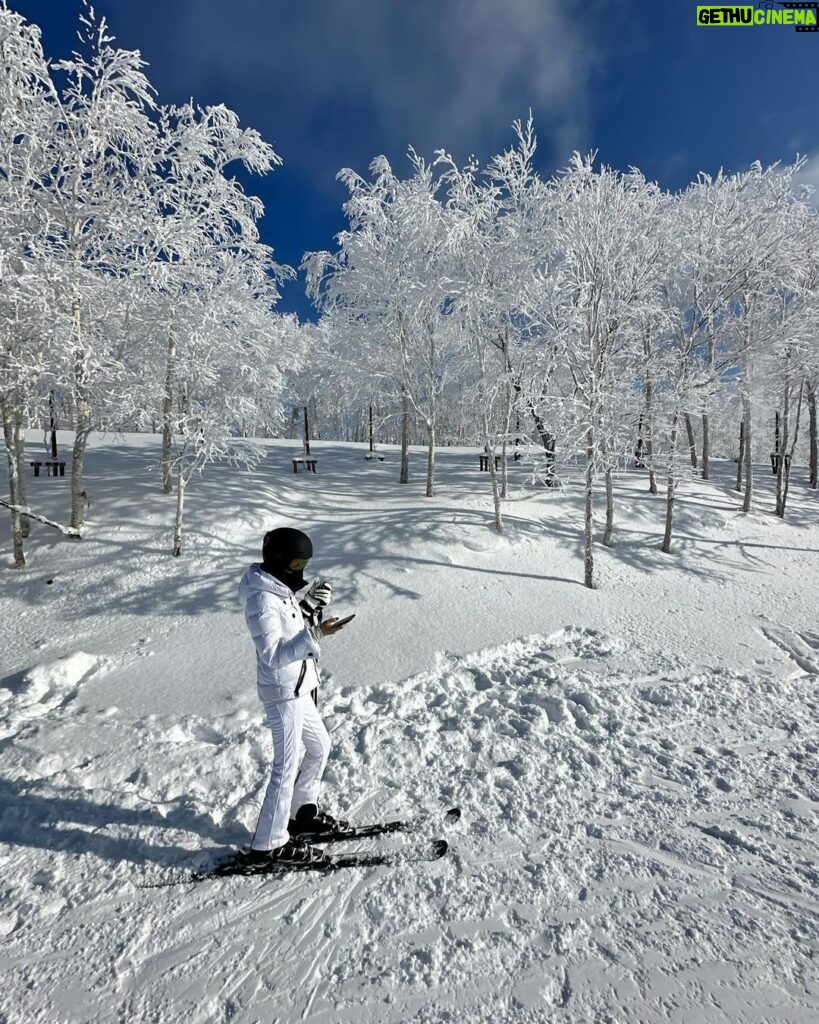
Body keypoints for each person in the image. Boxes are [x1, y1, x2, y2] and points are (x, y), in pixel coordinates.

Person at [237, 526, 351, 865]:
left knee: (320, 746)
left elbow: (291, 623)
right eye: (298, 561)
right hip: (283, 693)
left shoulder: (278, 588)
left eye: (306, 561)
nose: (302, 568)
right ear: (278, 560)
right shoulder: (260, 599)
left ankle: (303, 815)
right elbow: (272, 654)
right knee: (285, 766)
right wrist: (317, 632)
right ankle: (268, 845)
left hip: (299, 686)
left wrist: (308, 606)